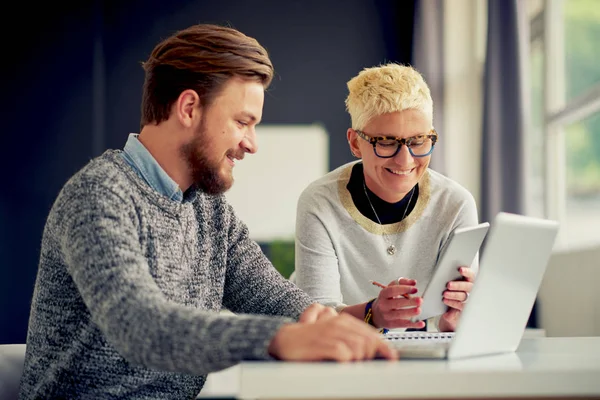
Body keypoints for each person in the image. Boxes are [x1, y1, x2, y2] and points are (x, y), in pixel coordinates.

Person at [18, 24, 397, 399]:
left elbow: (279, 301)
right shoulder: (99, 194)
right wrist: (278, 338)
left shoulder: (209, 211)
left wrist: (356, 323)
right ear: (188, 108)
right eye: (242, 122)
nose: (251, 144)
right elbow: (140, 325)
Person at [293, 63, 479, 333]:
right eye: (386, 142)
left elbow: (451, 323)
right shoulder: (320, 202)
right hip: (341, 354)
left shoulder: (456, 203)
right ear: (355, 143)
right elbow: (316, 317)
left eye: (418, 141)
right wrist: (373, 314)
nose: (405, 160)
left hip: (422, 356)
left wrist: (456, 320)